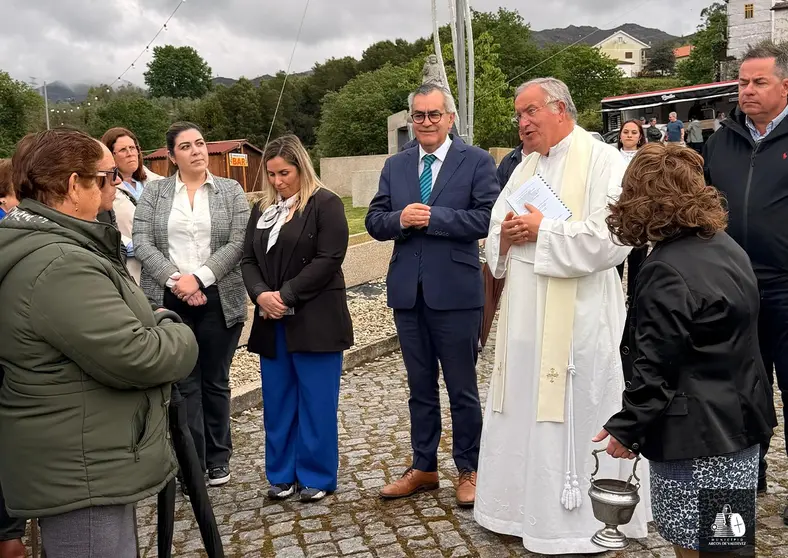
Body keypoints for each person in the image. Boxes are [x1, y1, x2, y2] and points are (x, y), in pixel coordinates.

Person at [0, 129, 198, 557]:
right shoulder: (59, 263)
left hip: (84, 453)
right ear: (74, 185)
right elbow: (136, 355)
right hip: (82, 470)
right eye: (107, 176)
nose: (116, 184)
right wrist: (178, 333)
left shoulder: (49, 245)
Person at [473, 77, 650, 555]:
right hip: (526, 315)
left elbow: (616, 237)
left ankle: (575, 520)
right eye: (519, 115)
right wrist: (507, 236)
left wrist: (543, 229)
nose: (522, 122)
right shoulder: (524, 167)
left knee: (575, 406)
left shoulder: (604, 161)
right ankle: (516, 509)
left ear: (560, 109)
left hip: (580, 320)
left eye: (530, 111)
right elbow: (496, 227)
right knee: (522, 406)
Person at [598, 143, 776, 558]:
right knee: (729, 542)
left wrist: (628, 428)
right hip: (739, 423)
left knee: (699, 546)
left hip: (694, 437)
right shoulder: (725, 246)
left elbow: (657, 364)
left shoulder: (666, 268)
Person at [366, 83, 498, 507]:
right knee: (419, 388)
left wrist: (435, 217)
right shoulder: (396, 165)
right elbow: (374, 220)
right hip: (408, 294)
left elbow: (487, 218)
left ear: (450, 118)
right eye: (419, 116)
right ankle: (423, 467)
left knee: (462, 388)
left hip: (456, 293)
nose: (426, 122)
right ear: (411, 120)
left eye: (434, 114)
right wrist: (400, 220)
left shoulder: (475, 161)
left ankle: (470, 468)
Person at [133, 122, 249, 493]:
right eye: (186, 146)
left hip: (219, 298)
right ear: (171, 156)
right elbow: (142, 241)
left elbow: (238, 242)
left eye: (200, 143)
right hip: (170, 301)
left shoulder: (230, 190)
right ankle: (192, 463)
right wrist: (178, 282)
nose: (197, 150)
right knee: (184, 384)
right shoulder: (155, 193)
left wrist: (199, 279)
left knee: (215, 380)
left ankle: (218, 458)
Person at [242, 135, 352, 502]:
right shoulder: (262, 209)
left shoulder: (326, 204)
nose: (277, 181)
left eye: (284, 173)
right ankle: (281, 474)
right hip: (271, 320)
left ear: (301, 168)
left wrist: (285, 295)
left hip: (316, 319)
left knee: (317, 402)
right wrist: (261, 294)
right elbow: (248, 259)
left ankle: (316, 475)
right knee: (278, 402)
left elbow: (328, 258)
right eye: (271, 174)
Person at [703, 41, 788, 516]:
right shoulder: (722, 141)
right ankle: (744, 477)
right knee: (738, 388)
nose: (747, 90)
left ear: (785, 86)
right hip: (734, 286)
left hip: (787, 286)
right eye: (742, 82)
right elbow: (705, 208)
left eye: (759, 82)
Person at [101, 127, 164, 284]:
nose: (130, 153)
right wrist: (135, 247)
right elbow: (103, 228)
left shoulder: (159, 183)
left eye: (132, 148)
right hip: (133, 269)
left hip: (166, 266)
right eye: (123, 150)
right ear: (110, 156)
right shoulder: (103, 190)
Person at [615, 120, 648, 306]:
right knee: (616, 259)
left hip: (639, 214)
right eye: (626, 132)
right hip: (617, 214)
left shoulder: (645, 157)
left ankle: (633, 299)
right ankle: (615, 299)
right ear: (620, 135)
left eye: (634, 132)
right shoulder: (611, 156)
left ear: (640, 136)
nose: (629, 135)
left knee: (637, 259)